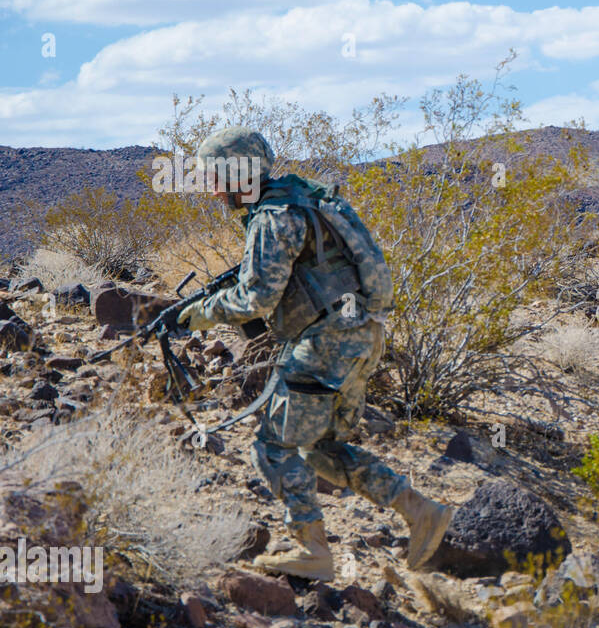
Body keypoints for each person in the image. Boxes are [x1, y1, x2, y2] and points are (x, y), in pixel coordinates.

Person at [177, 127, 453, 580]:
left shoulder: (273, 215)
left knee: (273, 447)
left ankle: (313, 553)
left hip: (327, 343)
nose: (212, 189)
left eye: (215, 177)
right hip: (362, 337)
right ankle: (421, 512)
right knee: (321, 449)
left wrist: (196, 315)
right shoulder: (304, 199)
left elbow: (256, 301)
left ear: (238, 173)